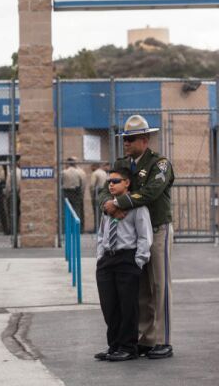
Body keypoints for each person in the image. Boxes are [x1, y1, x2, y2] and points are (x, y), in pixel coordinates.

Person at [98, 114, 175, 360]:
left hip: (156, 229)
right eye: (124, 139)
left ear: (145, 139)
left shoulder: (159, 163)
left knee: (158, 285)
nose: (126, 143)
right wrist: (107, 205)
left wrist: (119, 203)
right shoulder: (123, 164)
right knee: (139, 289)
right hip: (131, 234)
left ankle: (162, 339)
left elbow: (152, 192)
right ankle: (143, 338)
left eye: (130, 139)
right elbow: (103, 192)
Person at [95, 167, 153, 362]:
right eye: (109, 181)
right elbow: (102, 232)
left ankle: (128, 347)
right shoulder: (108, 206)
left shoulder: (137, 207)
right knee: (109, 305)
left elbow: (145, 236)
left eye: (116, 181)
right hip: (107, 259)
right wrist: (100, 256)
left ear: (127, 183)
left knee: (127, 306)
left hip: (127, 259)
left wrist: (138, 262)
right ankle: (114, 345)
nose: (110, 184)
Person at [62, 156, 86, 232]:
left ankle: (66, 229)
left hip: (66, 191)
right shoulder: (79, 172)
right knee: (77, 210)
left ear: (68, 164)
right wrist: (81, 193)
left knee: (66, 210)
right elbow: (82, 183)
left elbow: (60, 182)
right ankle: (77, 229)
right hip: (76, 191)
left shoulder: (64, 172)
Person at [90, 163, 108, 231]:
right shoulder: (104, 172)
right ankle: (103, 227)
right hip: (105, 193)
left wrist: (92, 194)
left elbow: (92, 185)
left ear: (94, 166)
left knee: (96, 211)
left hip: (97, 192)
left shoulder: (95, 173)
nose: (91, 169)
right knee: (102, 211)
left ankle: (97, 228)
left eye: (92, 167)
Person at [5, 161, 21, 234]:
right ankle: (18, 228)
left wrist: (7, 194)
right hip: (20, 193)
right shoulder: (21, 172)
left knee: (11, 212)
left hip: (12, 194)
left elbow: (8, 185)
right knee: (18, 212)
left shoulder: (11, 173)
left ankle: (12, 229)